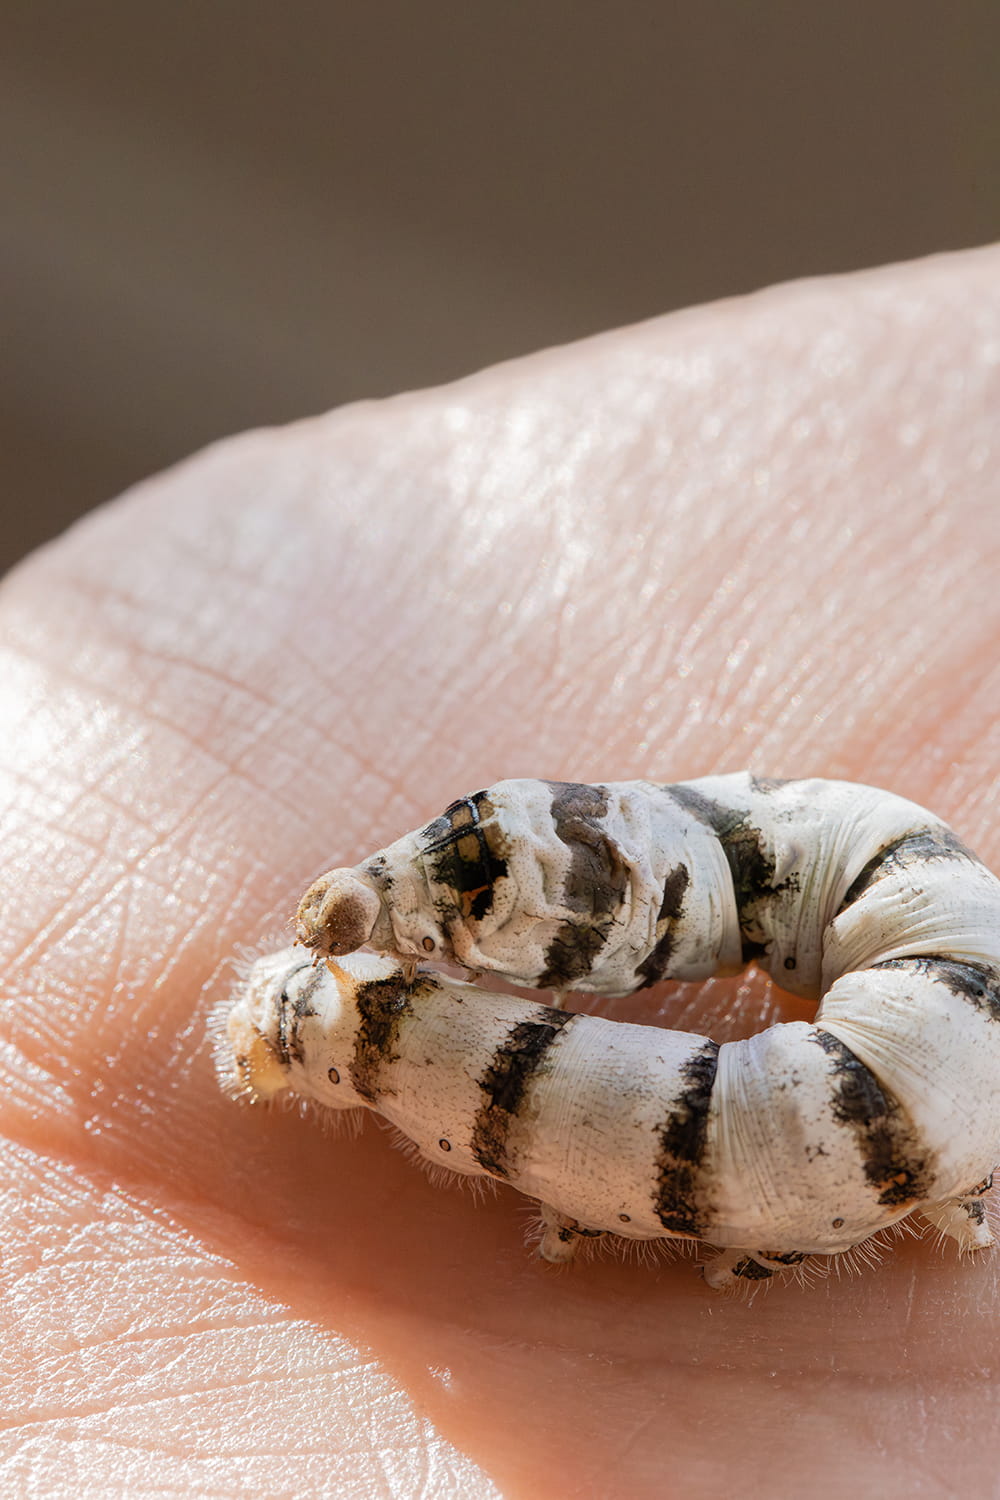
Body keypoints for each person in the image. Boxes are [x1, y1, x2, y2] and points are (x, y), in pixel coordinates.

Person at [1, 245, 997, 1497]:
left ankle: (348, 1033)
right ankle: (356, 1026)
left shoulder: (879, 908)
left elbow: (786, 1137)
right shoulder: (861, 861)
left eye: (477, 902)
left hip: (863, 1086)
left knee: (744, 1126)